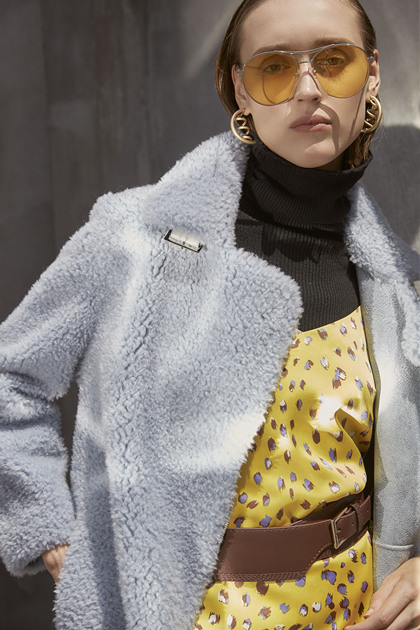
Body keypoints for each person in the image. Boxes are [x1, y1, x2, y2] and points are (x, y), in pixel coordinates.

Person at [0, 0, 419, 628]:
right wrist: (53, 535)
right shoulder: (136, 238)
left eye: (335, 61)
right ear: (240, 91)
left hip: (360, 608)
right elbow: (11, 377)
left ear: (372, 74)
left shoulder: (395, 280)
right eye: (275, 68)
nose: (309, 88)